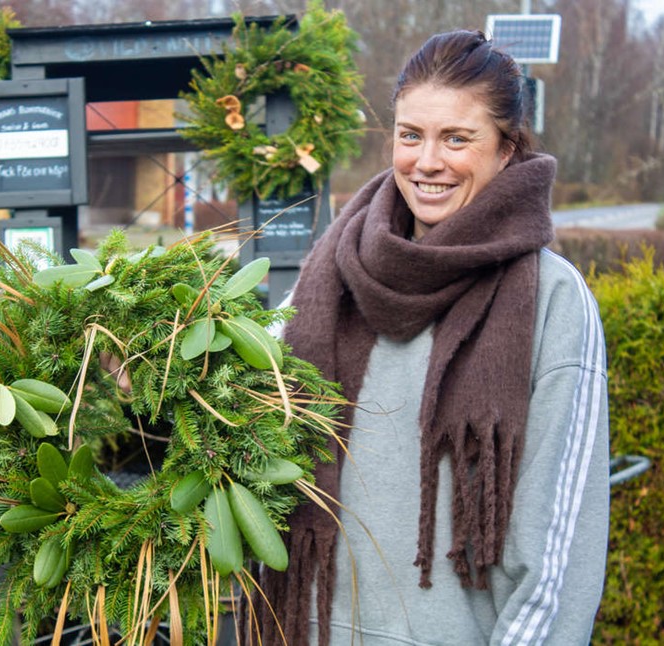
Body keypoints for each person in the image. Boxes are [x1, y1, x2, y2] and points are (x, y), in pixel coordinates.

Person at [249, 30, 610, 645]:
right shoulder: (329, 275)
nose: (427, 161)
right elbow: (239, 413)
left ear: (507, 150)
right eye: (410, 134)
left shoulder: (550, 298)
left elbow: (559, 556)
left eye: (457, 138)